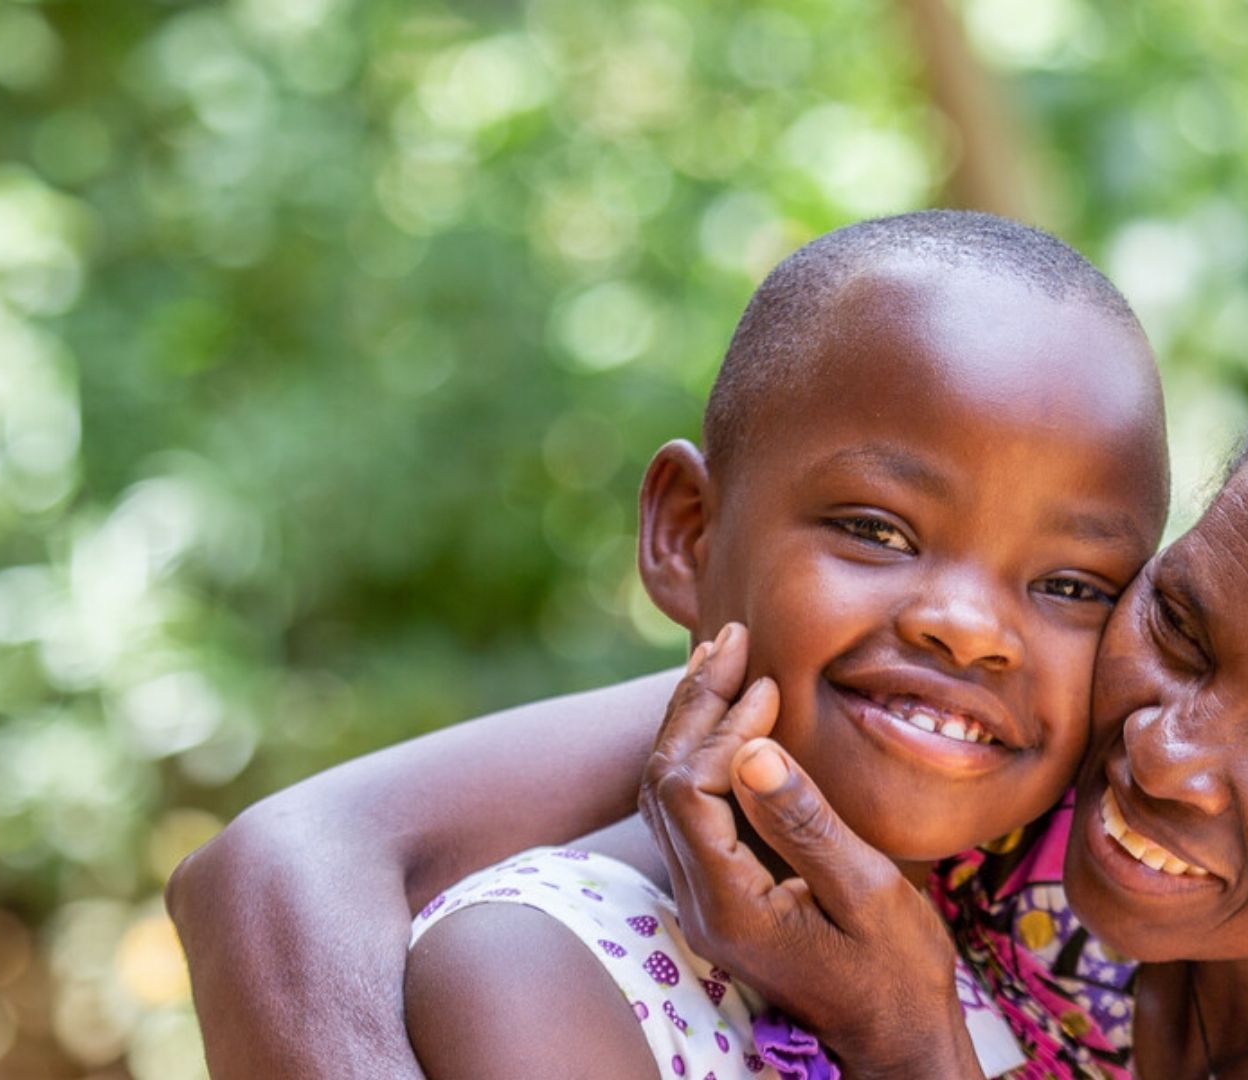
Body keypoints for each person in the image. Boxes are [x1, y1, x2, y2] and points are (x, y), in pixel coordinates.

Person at [169, 327, 1248, 1078]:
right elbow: (284, 866)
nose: (1162, 750)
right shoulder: (1016, 697)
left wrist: (905, 1034)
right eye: (1186, 625)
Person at [399, 211, 1171, 1080]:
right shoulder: (537, 967)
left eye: (1071, 587)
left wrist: (908, 1036)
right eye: (877, 531)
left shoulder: (1054, 968)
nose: (969, 627)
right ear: (689, 534)